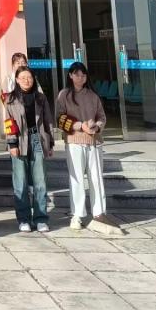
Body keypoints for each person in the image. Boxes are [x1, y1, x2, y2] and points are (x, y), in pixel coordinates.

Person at [56, 61, 107, 230]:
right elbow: (59, 118)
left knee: (96, 178)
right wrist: (80, 126)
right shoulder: (64, 95)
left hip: (94, 141)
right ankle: (77, 214)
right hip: (74, 141)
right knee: (76, 178)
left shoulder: (93, 95)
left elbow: (102, 116)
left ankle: (99, 212)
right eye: (77, 74)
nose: (80, 77)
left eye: (83, 75)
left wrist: (97, 127)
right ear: (70, 75)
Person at [6, 65, 54, 233]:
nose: (27, 80)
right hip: (19, 140)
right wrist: (12, 144)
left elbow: (48, 121)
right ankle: (23, 219)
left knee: (40, 181)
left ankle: (41, 218)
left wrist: (50, 143)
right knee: (20, 182)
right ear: (17, 80)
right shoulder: (10, 99)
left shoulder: (40, 98)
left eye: (29, 77)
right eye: (23, 78)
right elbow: (8, 123)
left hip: (37, 139)